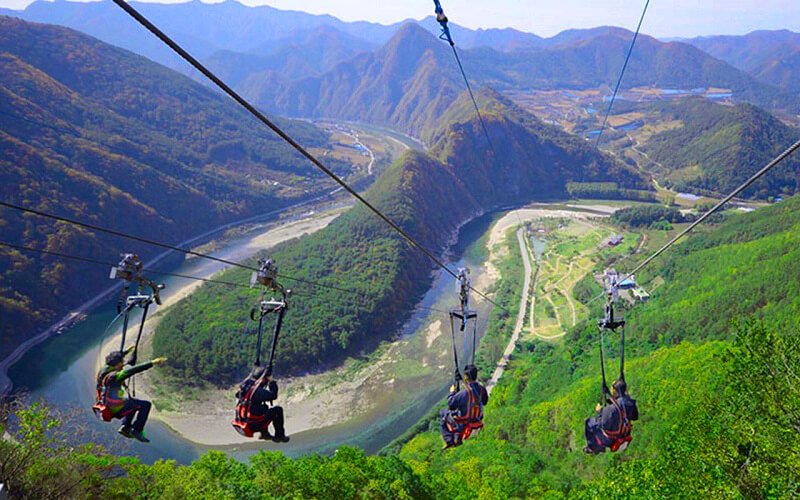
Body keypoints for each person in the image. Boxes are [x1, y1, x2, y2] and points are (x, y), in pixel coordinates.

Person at [95, 348, 167, 443]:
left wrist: (127, 352)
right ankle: (137, 429)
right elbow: (133, 370)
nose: (123, 364)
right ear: (117, 364)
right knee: (145, 405)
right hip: (116, 410)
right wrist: (152, 362)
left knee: (132, 403)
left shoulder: (104, 370)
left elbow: (116, 359)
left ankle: (125, 427)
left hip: (108, 405)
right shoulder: (115, 376)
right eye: (122, 362)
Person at [584, 378, 639, 454]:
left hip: (612, 439)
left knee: (589, 422)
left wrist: (599, 412)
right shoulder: (630, 403)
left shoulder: (610, 409)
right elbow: (635, 417)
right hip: (625, 433)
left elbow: (603, 426)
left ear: (615, 391)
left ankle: (593, 448)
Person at [236, 366, 290, 443]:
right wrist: (272, 382)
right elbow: (273, 395)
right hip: (254, 424)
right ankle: (279, 436)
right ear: (264, 378)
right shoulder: (258, 392)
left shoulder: (246, 385)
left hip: (243, 420)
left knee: (262, 409)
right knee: (278, 410)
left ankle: (264, 433)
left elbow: (237, 395)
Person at [440, 364, 488, 449]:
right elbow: (484, 402)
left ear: (466, 376)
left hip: (463, 420)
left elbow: (451, 404)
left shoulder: (464, 393)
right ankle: (457, 437)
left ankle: (449, 441)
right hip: (476, 418)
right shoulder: (482, 389)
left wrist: (452, 392)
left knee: (443, 413)